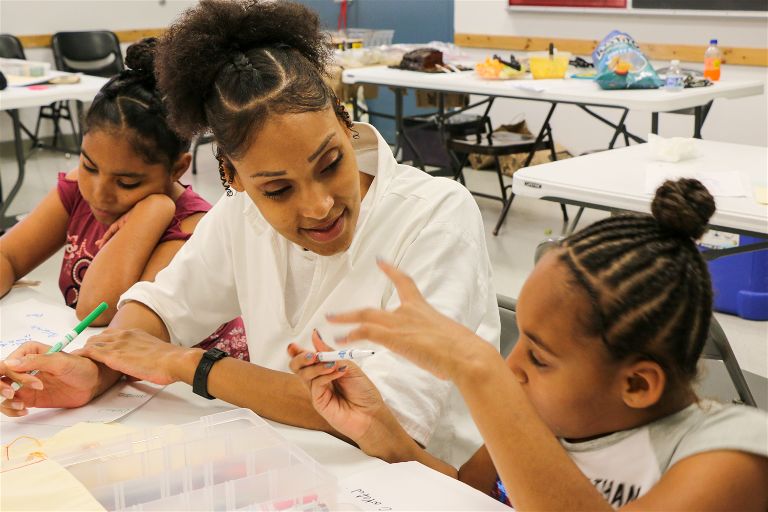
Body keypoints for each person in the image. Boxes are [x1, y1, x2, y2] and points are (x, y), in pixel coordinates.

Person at [0, 0, 498, 464]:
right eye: (277, 190)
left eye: (330, 164)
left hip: (419, 482)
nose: (320, 205)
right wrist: (92, 371)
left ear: (346, 126)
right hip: (289, 460)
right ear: (233, 179)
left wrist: (189, 365)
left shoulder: (434, 215)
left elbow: (382, 418)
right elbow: (161, 306)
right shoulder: (242, 214)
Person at [289, 179, 768, 511]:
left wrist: (479, 371)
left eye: (538, 356)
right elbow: (467, 495)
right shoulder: (549, 412)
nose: (511, 366)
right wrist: (380, 432)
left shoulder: (731, 459)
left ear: (638, 384)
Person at [0, 38, 247, 359]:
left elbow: (97, 309)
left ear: (177, 170)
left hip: (186, 393)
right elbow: (9, 256)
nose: (99, 192)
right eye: (89, 165)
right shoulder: (79, 189)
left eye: (127, 182)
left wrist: (153, 211)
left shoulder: (191, 227)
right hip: (103, 365)